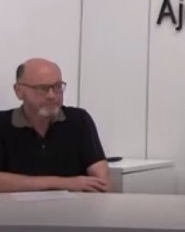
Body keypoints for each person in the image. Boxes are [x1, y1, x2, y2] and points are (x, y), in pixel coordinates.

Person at [0, 58, 110, 192]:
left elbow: (103, 181)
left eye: (57, 87)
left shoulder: (79, 120)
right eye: (42, 88)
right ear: (19, 91)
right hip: (15, 205)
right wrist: (65, 183)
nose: (52, 95)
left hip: (74, 204)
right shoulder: (3, 124)